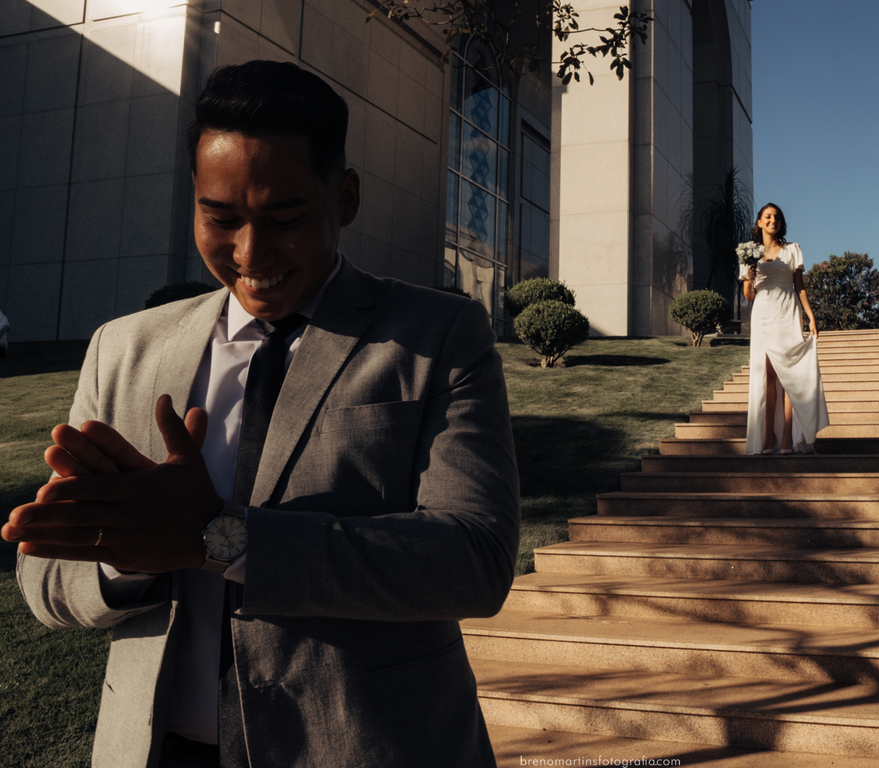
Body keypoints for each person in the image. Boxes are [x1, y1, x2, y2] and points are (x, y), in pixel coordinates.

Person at [3, 61, 520, 768]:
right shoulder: (122, 349)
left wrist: (220, 536)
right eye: (220, 218)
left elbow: (475, 561)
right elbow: (45, 583)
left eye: (285, 218)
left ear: (346, 197)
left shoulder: (440, 336)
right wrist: (126, 554)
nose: (251, 253)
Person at [739, 203, 830, 455]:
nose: (773, 221)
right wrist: (749, 277)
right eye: (768, 217)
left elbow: (800, 286)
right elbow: (748, 296)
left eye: (777, 217)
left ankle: (789, 437)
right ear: (759, 222)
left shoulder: (792, 249)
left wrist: (811, 316)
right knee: (768, 376)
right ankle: (768, 437)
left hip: (787, 311)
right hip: (763, 314)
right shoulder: (748, 253)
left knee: (789, 374)